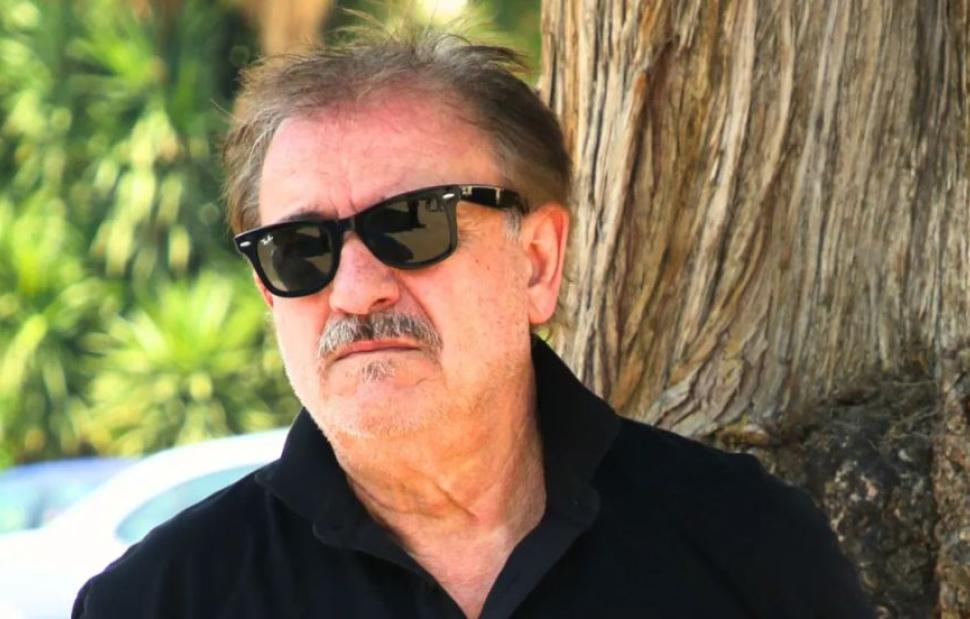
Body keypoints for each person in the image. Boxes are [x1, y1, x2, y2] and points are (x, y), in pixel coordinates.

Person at [72, 24, 874, 619]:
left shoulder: (748, 547)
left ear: (537, 263)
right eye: (300, 249)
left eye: (412, 224)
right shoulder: (156, 602)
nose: (356, 289)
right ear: (267, 289)